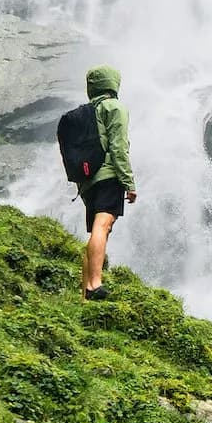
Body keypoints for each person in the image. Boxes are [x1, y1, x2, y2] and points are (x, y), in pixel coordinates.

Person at [75, 65, 136, 301]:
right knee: (103, 225)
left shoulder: (87, 111)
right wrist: (128, 182)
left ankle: (84, 294)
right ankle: (95, 284)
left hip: (88, 182)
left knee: (96, 232)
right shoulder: (114, 107)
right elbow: (118, 148)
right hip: (109, 175)